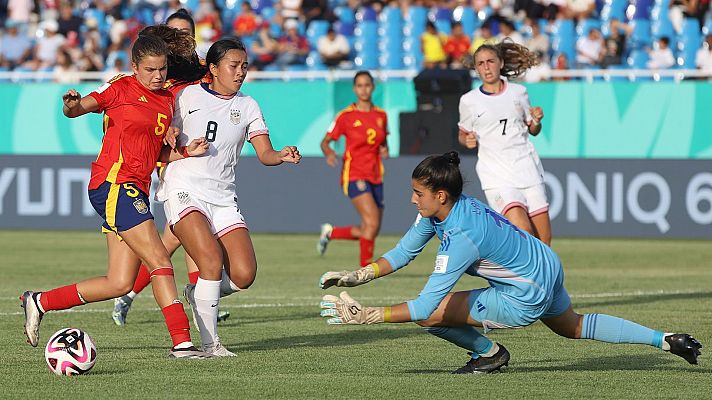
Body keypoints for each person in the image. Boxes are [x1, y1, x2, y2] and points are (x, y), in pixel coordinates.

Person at [318, 152, 702, 374]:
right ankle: (664, 339)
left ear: (440, 194)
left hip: (525, 295)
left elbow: (423, 305)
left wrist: (368, 315)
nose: (412, 200)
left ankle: (489, 354)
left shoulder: (461, 238)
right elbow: (404, 252)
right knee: (573, 326)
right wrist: (359, 275)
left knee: (430, 316)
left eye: (418, 194)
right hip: (547, 264)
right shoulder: (448, 209)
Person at [20, 32, 212, 359]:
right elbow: (80, 108)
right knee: (160, 260)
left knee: (120, 282)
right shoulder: (121, 87)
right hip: (114, 185)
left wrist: (184, 152)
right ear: (135, 67)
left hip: (135, 188)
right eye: (150, 70)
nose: (157, 76)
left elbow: (154, 154)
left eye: (162, 69)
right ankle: (182, 342)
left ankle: (39, 301)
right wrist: (70, 105)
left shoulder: (165, 100)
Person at [156, 38, 302, 356]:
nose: (240, 73)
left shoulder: (248, 105)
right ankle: (211, 346)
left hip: (222, 195)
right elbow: (159, 141)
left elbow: (264, 153)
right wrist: (171, 139)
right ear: (213, 68)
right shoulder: (185, 96)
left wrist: (281, 154)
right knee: (209, 261)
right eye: (233, 66)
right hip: (184, 188)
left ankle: (199, 294)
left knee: (244, 274)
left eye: (244, 67)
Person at [111, 19, 230, 326]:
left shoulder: (200, 70)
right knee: (179, 239)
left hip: (204, 157)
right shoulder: (158, 82)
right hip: (180, 160)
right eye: (175, 31)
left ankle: (135, 293)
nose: (179, 38)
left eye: (183, 32)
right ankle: (194, 296)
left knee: (176, 240)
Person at [458, 41, 552, 245]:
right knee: (524, 232)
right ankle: (519, 276)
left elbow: (533, 130)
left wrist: (536, 120)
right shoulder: (469, 100)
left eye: (490, 61)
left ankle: (540, 277)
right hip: (496, 175)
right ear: (476, 68)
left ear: (500, 63)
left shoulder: (518, 93)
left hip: (527, 169)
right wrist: (467, 140)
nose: (486, 67)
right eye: (480, 63)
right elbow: (462, 134)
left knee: (544, 242)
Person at [317, 71, 389, 267]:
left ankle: (331, 232)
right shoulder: (346, 116)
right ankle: (366, 269)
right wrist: (329, 153)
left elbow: (383, 142)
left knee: (370, 228)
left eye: (367, 85)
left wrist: (385, 150)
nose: (364, 89)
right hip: (355, 174)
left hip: (376, 174)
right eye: (359, 85)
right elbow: (325, 142)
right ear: (354, 89)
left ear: (373, 87)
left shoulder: (381, 115)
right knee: (372, 223)